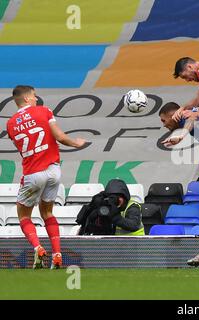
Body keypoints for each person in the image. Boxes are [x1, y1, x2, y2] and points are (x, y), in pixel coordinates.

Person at [6, 85, 86, 269]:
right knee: (48, 212)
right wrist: (76, 143)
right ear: (26, 99)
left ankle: (38, 247)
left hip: (33, 172)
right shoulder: (44, 111)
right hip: (53, 170)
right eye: (33, 96)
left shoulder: (10, 124)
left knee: (23, 215)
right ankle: (57, 254)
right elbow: (59, 137)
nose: (36, 99)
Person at [159, 102, 199, 266]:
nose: (164, 125)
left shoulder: (188, 116)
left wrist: (181, 135)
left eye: (163, 120)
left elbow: (193, 119)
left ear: (172, 115)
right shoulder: (187, 119)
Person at [77, 179, 144, 236]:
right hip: (115, 245)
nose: (113, 201)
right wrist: (93, 205)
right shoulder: (106, 206)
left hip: (135, 244)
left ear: (124, 197)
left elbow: (133, 225)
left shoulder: (132, 206)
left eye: (116, 198)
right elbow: (81, 220)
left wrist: (115, 217)